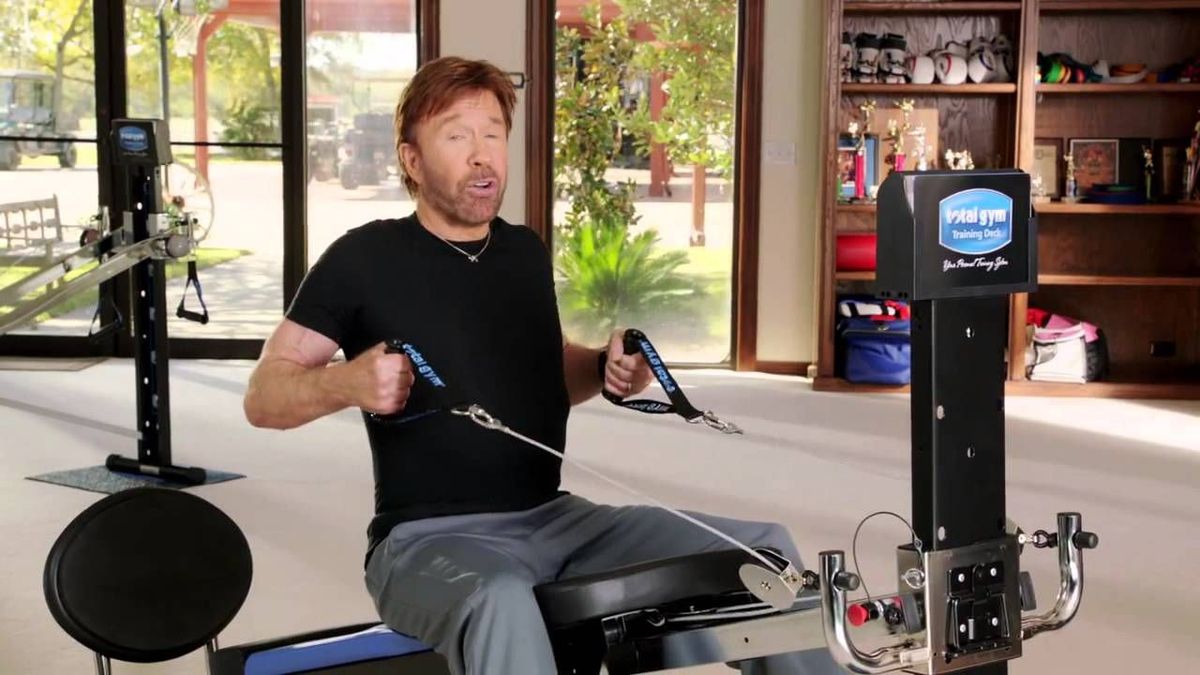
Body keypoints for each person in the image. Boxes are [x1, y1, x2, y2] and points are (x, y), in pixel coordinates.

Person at [244, 56, 835, 675]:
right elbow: (263, 396)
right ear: (412, 160)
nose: (483, 156)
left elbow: (543, 373)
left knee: (763, 554)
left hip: (558, 521)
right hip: (425, 540)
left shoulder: (522, 253)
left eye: (494, 134)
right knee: (499, 598)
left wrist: (603, 368)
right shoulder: (363, 258)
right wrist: (345, 382)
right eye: (457, 136)